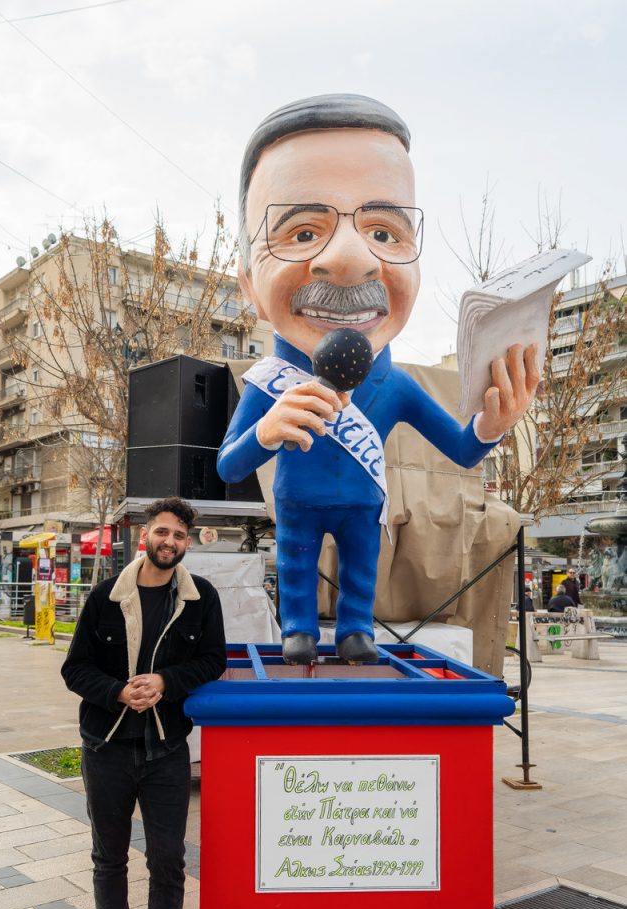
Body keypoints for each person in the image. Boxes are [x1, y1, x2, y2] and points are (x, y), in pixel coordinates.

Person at [217, 93, 540, 665]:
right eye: (301, 232)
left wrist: (492, 424)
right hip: (297, 502)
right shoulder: (271, 383)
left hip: (364, 503)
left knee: (361, 563)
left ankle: (355, 629)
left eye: (385, 233)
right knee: (295, 561)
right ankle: (297, 627)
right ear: (247, 284)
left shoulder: (395, 389)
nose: (351, 259)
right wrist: (266, 430)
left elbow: (462, 450)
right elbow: (228, 465)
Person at [62, 497, 226, 909]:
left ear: (187, 543)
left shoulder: (202, 599)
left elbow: (213, 660)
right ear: (144, 536)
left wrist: (165, 682)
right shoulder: (106, 596)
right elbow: (75, 669)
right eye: (163, 531)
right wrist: (117, 692)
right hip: (106, 747)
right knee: (108, 858)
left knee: (168, 862)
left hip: (166, 752)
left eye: (179, 535)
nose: (170, 541)